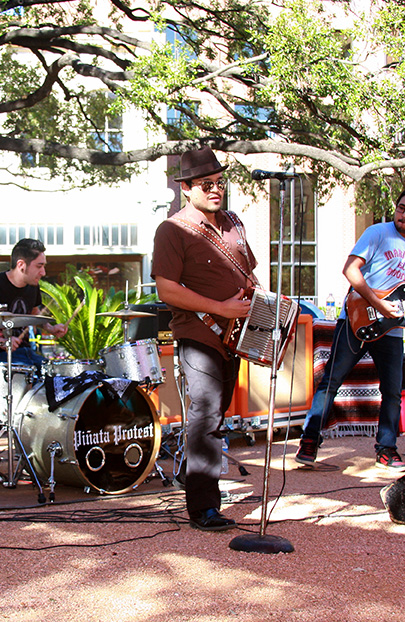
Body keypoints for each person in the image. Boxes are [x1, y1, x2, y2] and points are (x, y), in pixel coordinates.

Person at [295, 188, 405, 471]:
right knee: (331, 381)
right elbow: (350, 270)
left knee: (392, 392)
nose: (404, 214)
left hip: (391, 331)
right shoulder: (377, 233)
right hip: (356, 319)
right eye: (401, 208)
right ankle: (309, 440)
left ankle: (387, 449)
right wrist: (378, 303)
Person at [151, 146, 255, 532]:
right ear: (186, 188)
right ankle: (203, 507)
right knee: (207, 413)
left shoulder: (233, 222)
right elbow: (167, 289)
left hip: (235, 336)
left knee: (216, 415)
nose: (215, 189)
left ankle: (193, 476)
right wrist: (221, 308)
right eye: (206, 184)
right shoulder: (172, 229)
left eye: (219, 182)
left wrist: (265, 309)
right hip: (198, 335)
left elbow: (247, 274)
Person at [0, 238, 67, 366]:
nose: (43, 272)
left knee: (52, 371)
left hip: (25, 353)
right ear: (21, 265)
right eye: (39, 266)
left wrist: (51, 328)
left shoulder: (33, 286)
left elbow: (34, 313)